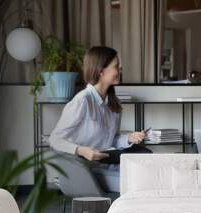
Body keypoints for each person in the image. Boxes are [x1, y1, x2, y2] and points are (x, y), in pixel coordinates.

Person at [49, 46, 151, 192]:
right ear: (101, 71)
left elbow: (111, 139)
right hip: (86, 169)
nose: (120, 71)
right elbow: (54, 140)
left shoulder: (114, 104)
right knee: (142, 183)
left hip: (107, 162)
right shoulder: (82, 101)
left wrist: (129, 138)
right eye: (116, 67)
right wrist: (82, 151)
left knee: (147, 160)